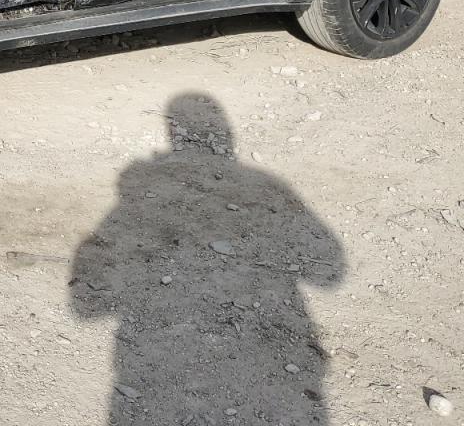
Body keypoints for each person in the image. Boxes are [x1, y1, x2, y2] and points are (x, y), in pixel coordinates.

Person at [70, 93, 345, 425]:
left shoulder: (132, 198)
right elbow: (330, 271)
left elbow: (86, 307)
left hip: (152, 375)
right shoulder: (265, 184)